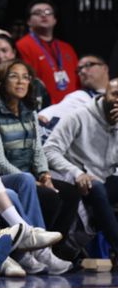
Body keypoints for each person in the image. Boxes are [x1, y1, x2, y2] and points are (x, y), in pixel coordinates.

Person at [0, 59, 77, 273]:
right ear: (2, 81)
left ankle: (52, 249)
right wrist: (30, 177)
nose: (21, 82)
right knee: (29, 182)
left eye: (25, 77)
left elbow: (38, 149)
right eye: (14, 76)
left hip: (29, 176)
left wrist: (44, 174)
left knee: (69, 192)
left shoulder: (29, 111)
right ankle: (39, 251)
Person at [44, 78, 118, 259]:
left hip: (105, 178)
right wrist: (76, 172)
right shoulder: (79, 116)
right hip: (73, 176)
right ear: (105, 94)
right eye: (115, 94)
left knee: (102, 187)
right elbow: (49, 150)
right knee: (97, 188)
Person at [16, 0, 80, 105]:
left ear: (55, 20)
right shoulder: (23, 45)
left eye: (48, 12)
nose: (43, 15)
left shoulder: (67, 47)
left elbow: (78, 80)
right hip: (44, 108)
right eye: (37, 12)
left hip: (73, 107)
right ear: (29, 21)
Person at [0, 33, 50, 109]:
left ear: (13, 52)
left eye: (4, 50)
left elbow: (47, 111)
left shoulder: (35, 83)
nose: (0, 56)